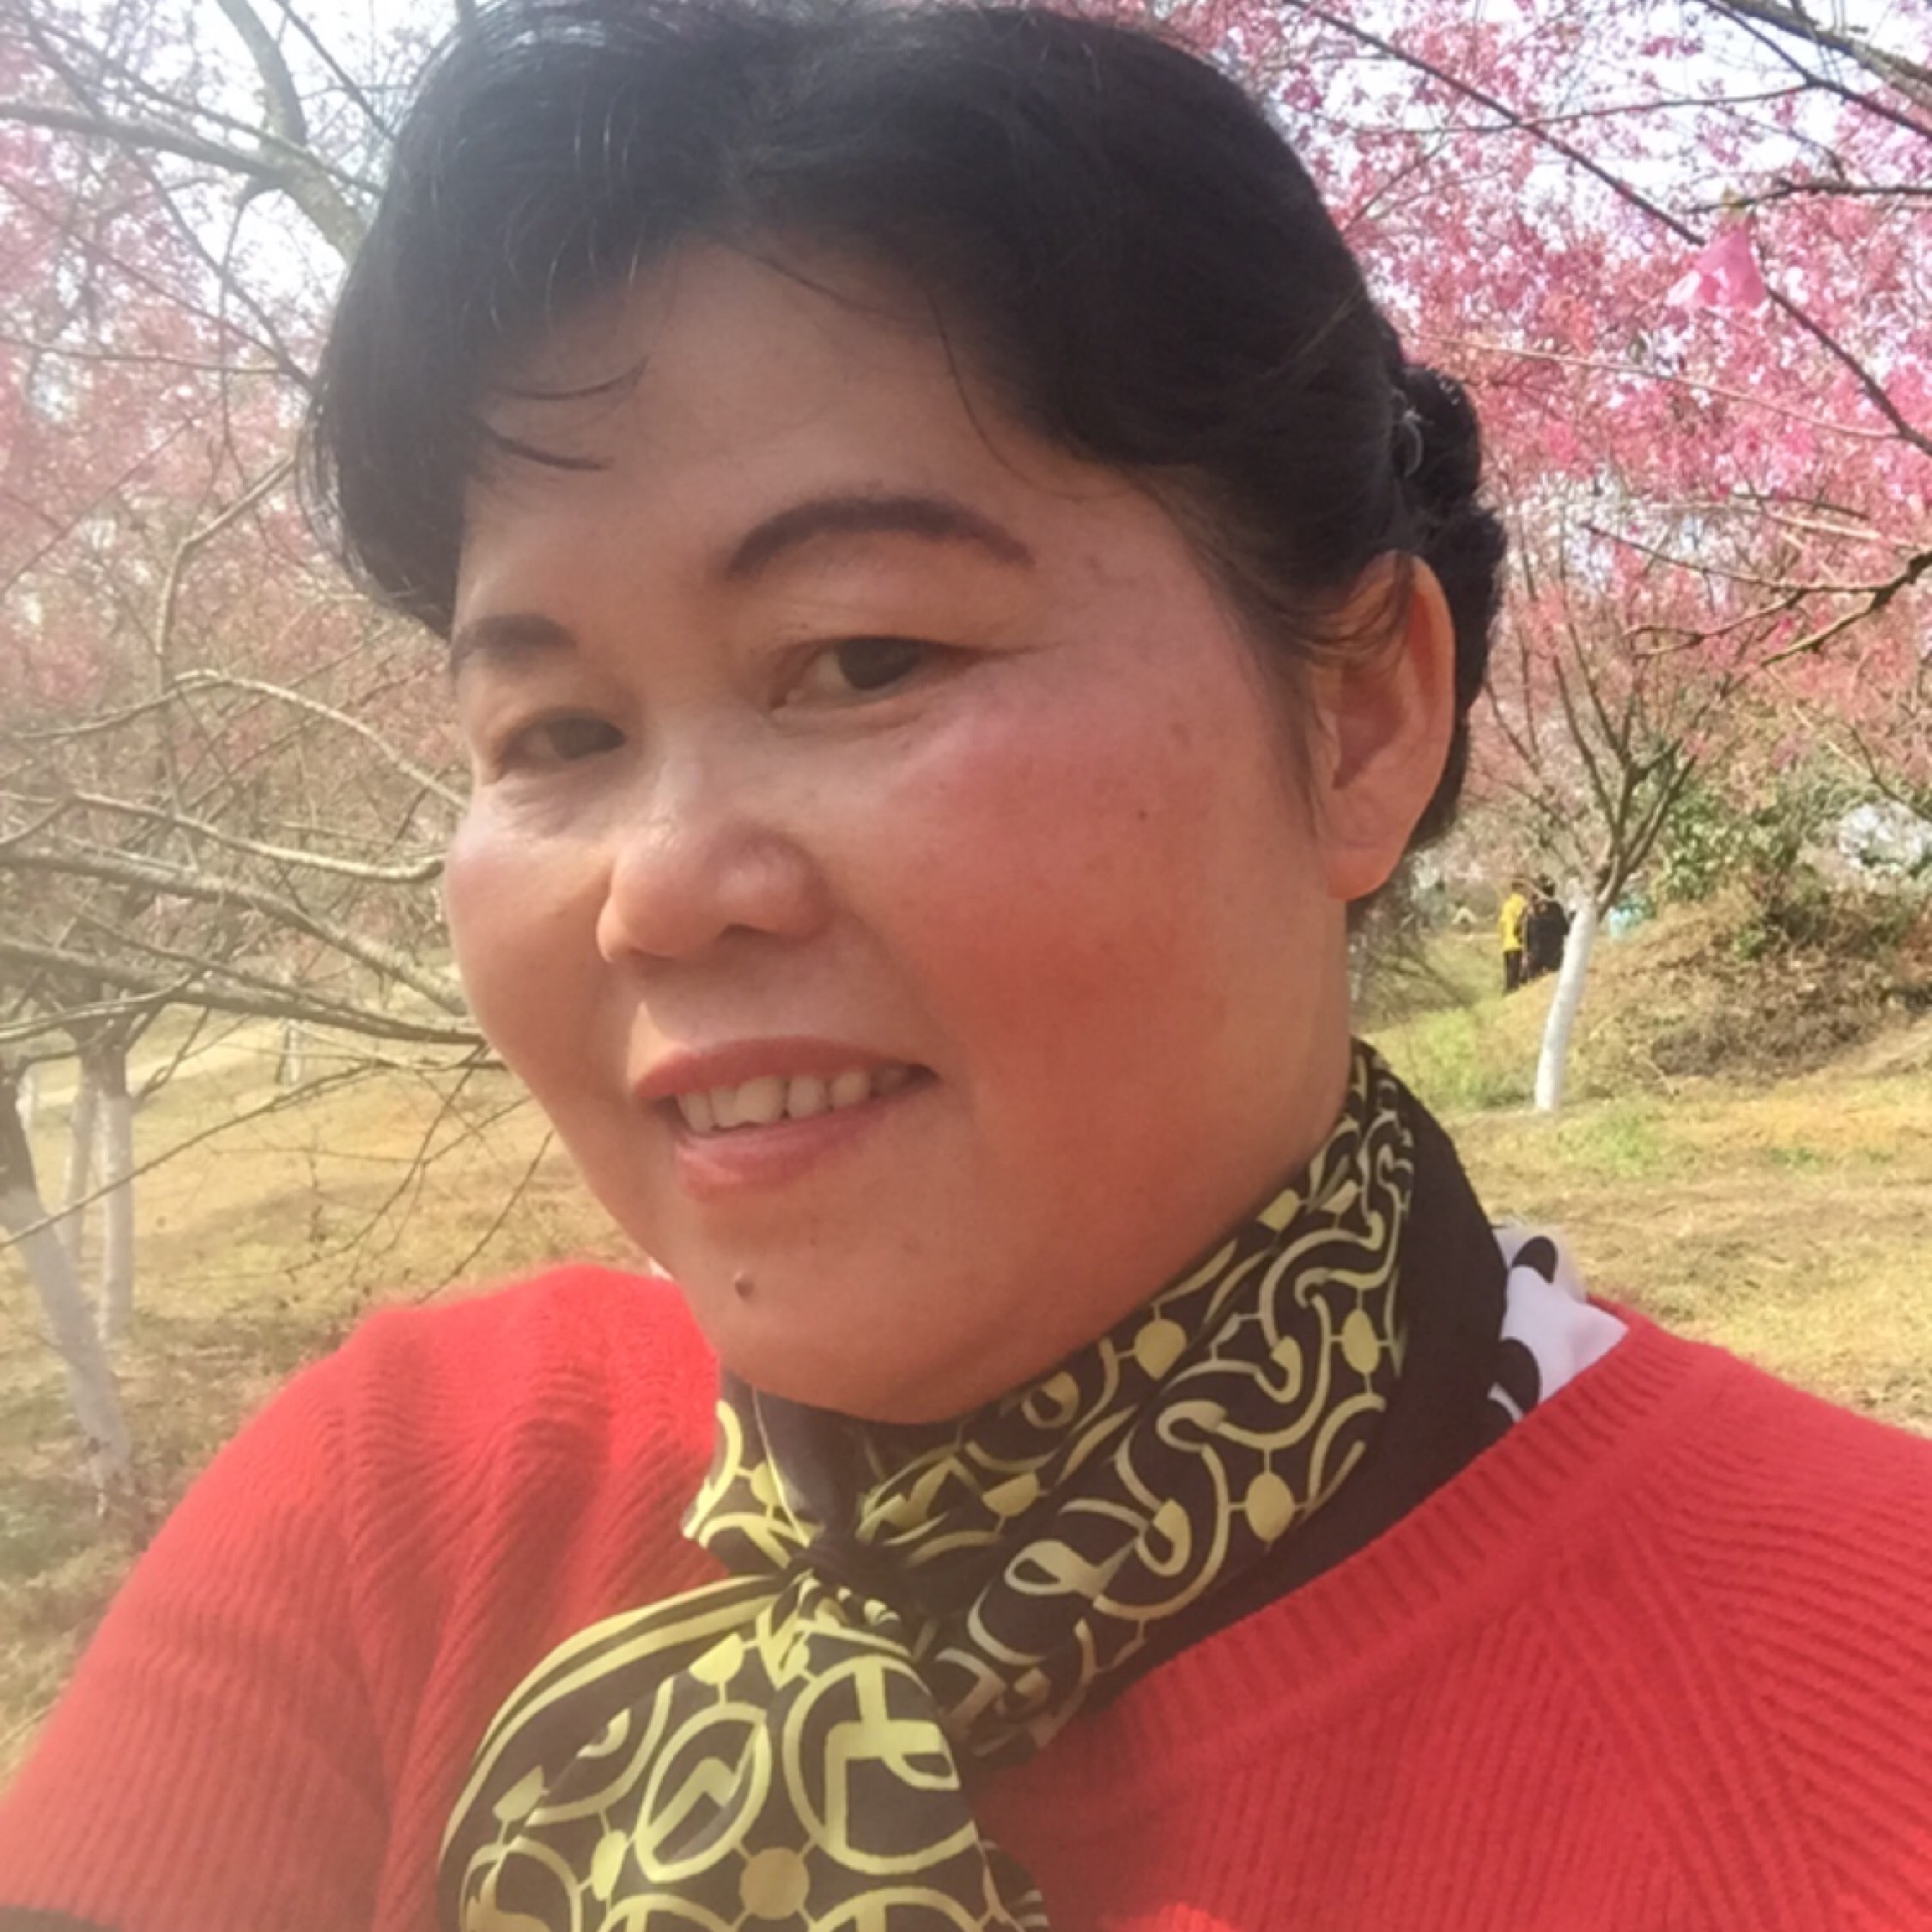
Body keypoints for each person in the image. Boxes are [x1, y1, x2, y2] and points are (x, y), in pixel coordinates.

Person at [4, 3, 1931, 1928]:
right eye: (559, 734)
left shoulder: (1861, 1731)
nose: (656, 894)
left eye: (865, 659)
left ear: (1357, 718)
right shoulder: (401, 1518)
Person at [1522, 878, 1571, 983]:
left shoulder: (1530, 910)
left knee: (1535, 986)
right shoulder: (1557, 908)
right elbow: (1566, 930)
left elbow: (1522, 934)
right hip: (1554, 955)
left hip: (1535, 956)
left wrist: (1526, 953)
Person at [1498, 877, 1529, 992]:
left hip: (1506, 944)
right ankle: (1514, 992)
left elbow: (1501, 925)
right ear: (1519, 888)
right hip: (1517, 943)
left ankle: (1508, 993)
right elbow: (1523, 918)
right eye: (1523, 887)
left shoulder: (1506, 905)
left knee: (1509, 974)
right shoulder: (1521, 902)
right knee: (1516, 973)